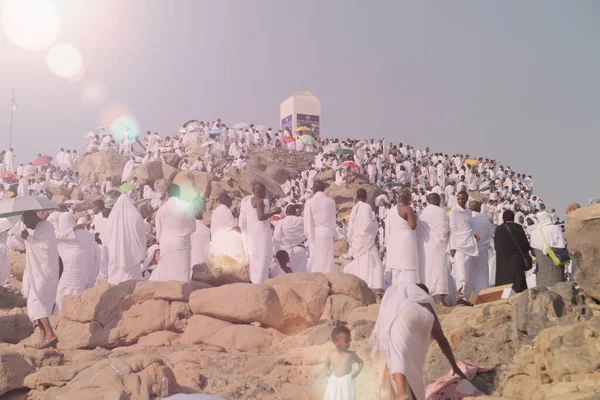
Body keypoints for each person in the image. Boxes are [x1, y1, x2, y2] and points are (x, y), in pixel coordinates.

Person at [371, 283, 467, 400]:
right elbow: (441, 339)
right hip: (423, 317)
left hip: (405, 313)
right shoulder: (427, 304)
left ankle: (401, 392)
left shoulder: (398, 301)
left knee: (397, 353)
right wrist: (454, 365)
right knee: (414, 368)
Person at [21, 210, 60, 349]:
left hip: (44, 274)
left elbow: (44, 247)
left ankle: (50, 334)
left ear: (32, 218)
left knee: (35, 304)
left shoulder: (45, 227)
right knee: (41, 305)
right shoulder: (42, 228)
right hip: (43, 273)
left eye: (26, 222)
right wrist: (29, 238)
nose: (27, 225)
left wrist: (28, 238)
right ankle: (43, 340)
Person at [150, 185, 197, 283]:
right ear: (179, 193)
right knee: (182, 273)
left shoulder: (162, 209)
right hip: (182, 244)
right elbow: (192, 226)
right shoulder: (187, 206)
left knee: (168, 273)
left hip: (166, 245)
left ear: (168, 194)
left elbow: (158, 231)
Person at [54, 213, 99, 313]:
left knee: (64, 287)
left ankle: (61, 311)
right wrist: (77, 227)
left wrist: (74, 229)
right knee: (78, 288)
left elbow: (57, 235)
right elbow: (92, 239)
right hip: (80, 265)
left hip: (68, 266)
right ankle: (77, 310)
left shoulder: (61, 235)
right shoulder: (80, 232)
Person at [239, 182, 280, 284]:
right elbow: (260, 217)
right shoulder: (259, 201)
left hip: (252, 235)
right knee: (263, 258)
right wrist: (274, 212)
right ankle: (260, 283)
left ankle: (253, 280)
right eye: (265, 191)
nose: (265, 193)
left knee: (254, 259)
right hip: (261, 236)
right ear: (261, 191)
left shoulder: (247, 201)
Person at [344, 188, 383, 291]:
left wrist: (351, 240)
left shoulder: (354, 208)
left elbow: (351, 226)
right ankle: (375, 285)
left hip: (358, 240)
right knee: (376, 262)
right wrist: (375, 223)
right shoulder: (367, 207)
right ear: (366, 197)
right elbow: (367, 226)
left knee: (363, 262)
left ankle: (363, 283)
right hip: (365, 240)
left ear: (357, 197)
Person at [416, 193, 450, 305]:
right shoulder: (441, 211)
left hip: (426, 246)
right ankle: (441, 299)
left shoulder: (423, 213)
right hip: (438, 245)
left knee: (428, 270)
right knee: (439, 269)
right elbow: (444, 230)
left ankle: (428, 294)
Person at [106, 195, 147, 285]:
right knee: (132, 284)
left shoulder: (113, 217)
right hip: (133, 254)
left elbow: (108, 235)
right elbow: (141, 233)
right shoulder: (136, 216)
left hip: (116, 252)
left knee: (115, 282)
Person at [448, 191, 479, 302]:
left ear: (466, 199)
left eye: (462, 199)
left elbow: (468, 226)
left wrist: (474, 234)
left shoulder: (468, 212)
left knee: (468, 270)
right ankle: (458, 294)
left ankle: (464, 296)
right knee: (460, 270)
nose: (460, 201)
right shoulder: (454, 211)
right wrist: (451, 246)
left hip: (469, 243)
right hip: (457, 244)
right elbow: (452, 229)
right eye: (459, 199)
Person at [323, 322, 364, 400]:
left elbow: (361, 362)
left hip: (346, 383)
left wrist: (356, 372)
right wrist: (328, 371)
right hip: (334, 383)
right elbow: (327, 364)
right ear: (336, 342)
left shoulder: (351, 354)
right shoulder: (331, 354)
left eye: (349, 340)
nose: (349, 343)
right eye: (346, 341)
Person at [386, 189, 419, 284]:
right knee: (408, 267)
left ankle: (397, 292)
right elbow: (413, 226)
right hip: (406, 242)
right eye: (409, 198)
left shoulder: (391, 211)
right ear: (405, 198)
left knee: (397, 270)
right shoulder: (408, 209)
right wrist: (415, 219)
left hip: (394, 242)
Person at [494, 210, 531, 293]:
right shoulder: (518, 227)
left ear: (503, 219)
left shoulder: (499, 229)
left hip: (502, 261)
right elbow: (525, 245)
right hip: (516, 260)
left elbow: (496, 245)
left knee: (504, 284)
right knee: (518, 283)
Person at [304, 180, 337, 274]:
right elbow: (332, 220)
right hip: (327, 233)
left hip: (314, 233)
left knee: (315, 261)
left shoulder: (309, 202)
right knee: (327, 261)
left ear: (315, 189)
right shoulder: (331, 202)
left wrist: (309, 234)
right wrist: (331, 232)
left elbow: (307, 220)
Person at [529, 211, 566, 287]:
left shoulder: (534, 233)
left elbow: (533, 252)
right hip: (556, 267)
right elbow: (563, 246)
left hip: (541, 272)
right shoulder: (556, 228)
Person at [272, 204, 308, 273]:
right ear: (295, 212)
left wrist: (277, 254)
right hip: (300, 250)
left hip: (286, 253)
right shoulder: (301, 220)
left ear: (286, 213)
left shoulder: (280, 223)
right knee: (302, 273)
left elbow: (276, 238)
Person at [469, 200, 494, 296]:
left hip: (472, 250)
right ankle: (484, 294)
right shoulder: (484, 218)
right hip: (483, 250)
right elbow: (489, 233)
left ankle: (473, 296)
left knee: (472, 274)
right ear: (479, 208)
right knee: (483, 274)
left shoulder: (469, 218)